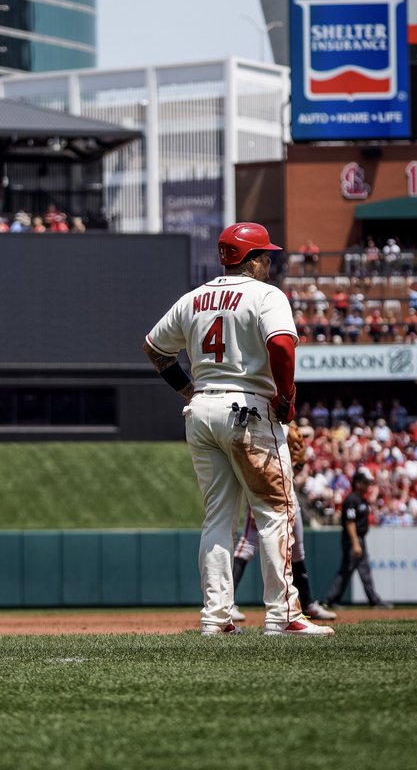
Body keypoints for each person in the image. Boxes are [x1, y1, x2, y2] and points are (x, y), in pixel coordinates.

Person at [144, 221, 333, 637]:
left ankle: (216, 618)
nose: (269, 261)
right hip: (248, 410)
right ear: (251, 259)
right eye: (265, 254)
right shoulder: (267, 295)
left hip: (202, 409)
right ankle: (283, 614)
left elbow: (155, 348)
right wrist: (286, 397)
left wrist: (188, 390)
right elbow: (281, 345)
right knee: (276, 511)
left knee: (217, 518)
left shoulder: (193, 298)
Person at [230, 421, 336, 623]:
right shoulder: (258, 424)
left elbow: (298, 460)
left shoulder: (282, 427)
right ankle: (227, 604)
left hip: (288, 491)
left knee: (297, 551)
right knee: (246, 546)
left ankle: (308, 604)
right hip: (261, 490)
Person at [323, 470, 391, 610]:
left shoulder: (361, 499)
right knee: (347, 569)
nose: (368, 486)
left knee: (363, 570)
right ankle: (330, 600)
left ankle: (373, 600)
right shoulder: (351, 499)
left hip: (359, 539)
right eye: (365, 483)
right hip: (352, 538)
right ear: (358, 483)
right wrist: (355, 543)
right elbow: (350, 522)